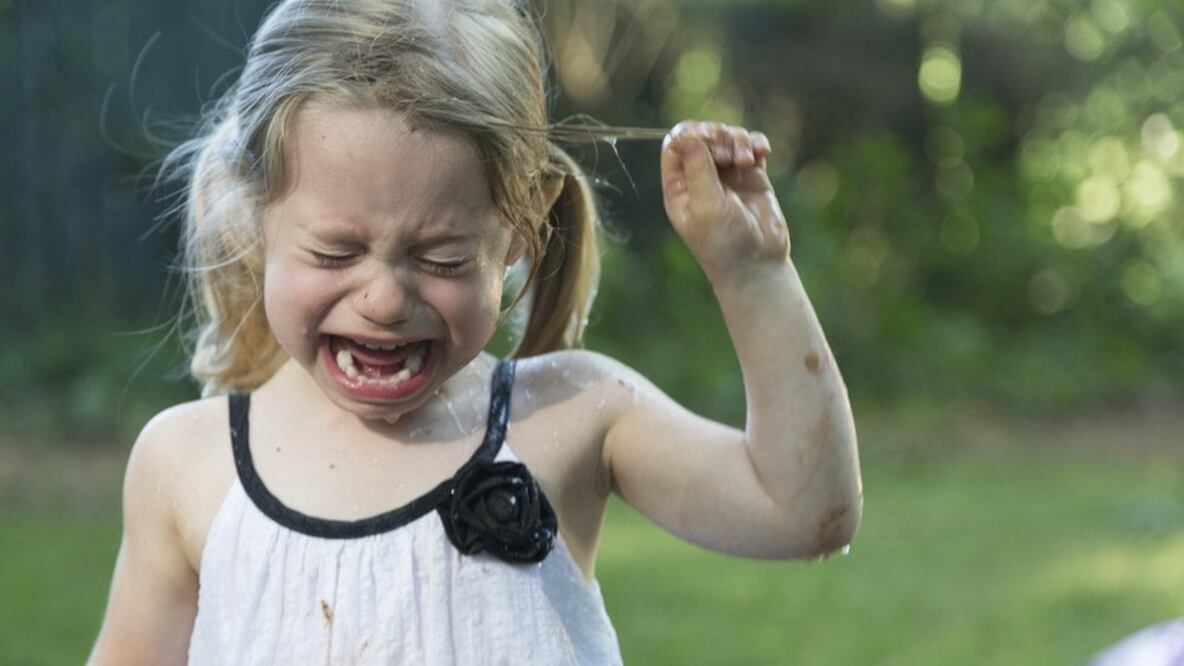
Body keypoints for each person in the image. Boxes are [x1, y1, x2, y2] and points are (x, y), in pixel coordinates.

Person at [88, 0, 863, 663]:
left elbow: (802, 511)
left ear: (519, 230)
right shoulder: (188, 466)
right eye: (335, 252)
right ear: (254, 218)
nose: (385, 299)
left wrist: (753, 273)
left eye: (441, 256)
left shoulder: (569, 417)